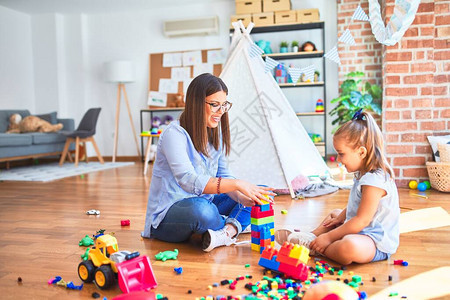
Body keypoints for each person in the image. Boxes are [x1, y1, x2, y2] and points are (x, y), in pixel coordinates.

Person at [142, 73, 274, 252]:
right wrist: (237, 184)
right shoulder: (174, 134)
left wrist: (241, 196)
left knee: (260, 193)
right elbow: (188, 180)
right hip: (169, 216)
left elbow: (223, 174)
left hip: (206, 201)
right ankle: (235, 223)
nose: (221, 111)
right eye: (214, 105)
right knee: (203, 211)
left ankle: (227, 231)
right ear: (196, 103)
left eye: (224, 105)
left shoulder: (214, 133)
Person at [276, 109, 399, 265]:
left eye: (341, 154)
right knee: (335, 214)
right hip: (361, 231)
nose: (339, 160)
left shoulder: (375, 181)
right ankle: (311, 237)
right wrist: (341, 217)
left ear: (361, 152)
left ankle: (316, 248)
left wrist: (328, 238)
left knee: (348, 246)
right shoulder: (363, 174)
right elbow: (361, 207)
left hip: (375, 241)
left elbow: (361, 220)